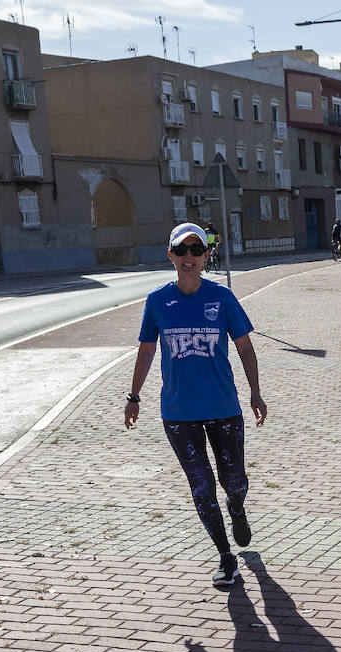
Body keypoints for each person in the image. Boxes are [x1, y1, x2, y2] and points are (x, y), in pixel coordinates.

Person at [124, 222, 267, 587]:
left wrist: (255, 391)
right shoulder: (157, 301)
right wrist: (134, 395)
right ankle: (225, 556)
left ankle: (237, 505)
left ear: (206, 256)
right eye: (181, 250)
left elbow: (245, 348)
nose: (189, 257)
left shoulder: (222, 299)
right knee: (201, 486)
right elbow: (146, 350)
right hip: (178, 413)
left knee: (233, 480)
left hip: (223, 407)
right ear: (170, 255)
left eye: (196, 250)